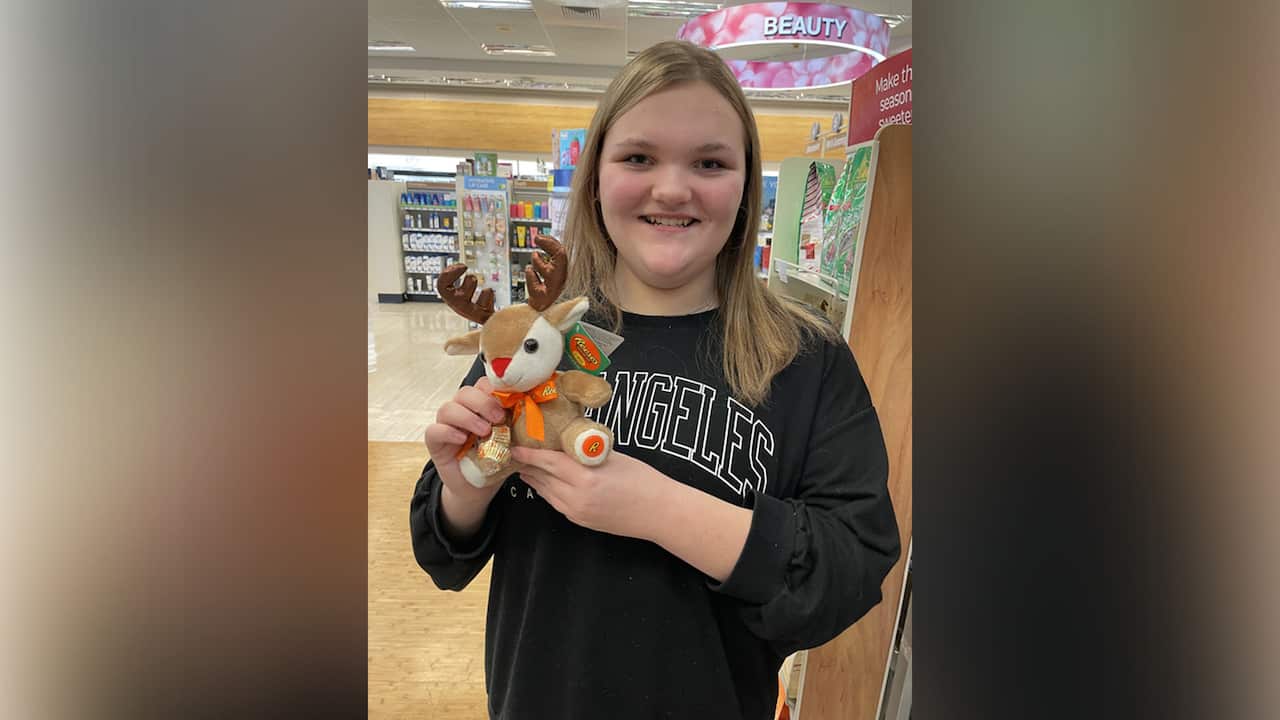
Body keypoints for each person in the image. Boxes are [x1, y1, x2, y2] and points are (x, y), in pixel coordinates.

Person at [410, 39, 900, 720]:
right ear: (597, 176)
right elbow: (445, 550)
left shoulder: (806, 357)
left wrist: (655, 508)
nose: (672, 188)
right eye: (638, 157)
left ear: (745, 184)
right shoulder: (538, 336)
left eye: (709, 162)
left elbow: (848, 569)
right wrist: (465, 483)